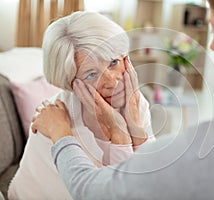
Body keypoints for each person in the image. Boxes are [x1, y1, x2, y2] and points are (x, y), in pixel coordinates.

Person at [32, 0, 214, 199]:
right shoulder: (59, 111)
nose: (213, 47)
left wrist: (117, 133)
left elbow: (115, 187)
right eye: (91, 73)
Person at [8, 12, 154, 200]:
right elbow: (116, 194)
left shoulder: (134, 101)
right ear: (71, 83)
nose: (112, 81)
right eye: (92, 74)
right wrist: (119, 133)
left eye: (114, 62)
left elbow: (151, 178)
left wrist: (134, 127)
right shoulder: (56, 120)